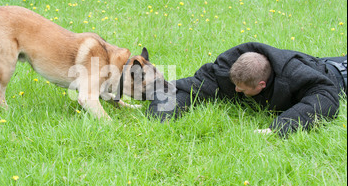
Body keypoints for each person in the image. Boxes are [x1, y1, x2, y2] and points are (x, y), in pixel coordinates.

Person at [147, 42, 347, 137]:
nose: (235, 90)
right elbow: (189, 87)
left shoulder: (293, 74)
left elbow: (325, 98)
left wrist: (278, 128)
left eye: (242, 90)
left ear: (261, 85)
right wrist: (161, 116)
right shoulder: (229, 69)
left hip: (337, 74)